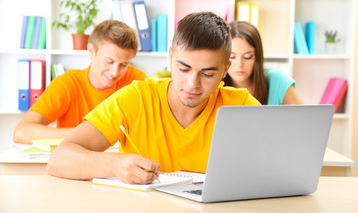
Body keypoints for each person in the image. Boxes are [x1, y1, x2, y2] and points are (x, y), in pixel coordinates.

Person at [47, 11, 261, 184]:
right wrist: (113, 164)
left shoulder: (240, 106)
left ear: (226, 70)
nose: (192, 83)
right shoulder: (137, 97)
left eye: (207, 74)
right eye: (184, 68)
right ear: (170, 57)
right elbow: (59, 159)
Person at [13, 19, 147, 144]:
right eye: (109, 61)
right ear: (91, 51)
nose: (115, 72)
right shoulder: (67, 83)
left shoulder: (136, 82)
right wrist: (89, 134)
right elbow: (21, 133)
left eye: (123, 64)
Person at [223, 21, 303, 105]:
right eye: (232, 57)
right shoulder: (215, 87)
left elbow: (305, 116)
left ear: (257, 57)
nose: (240, 64)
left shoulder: (276, 80)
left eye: (248, 57)